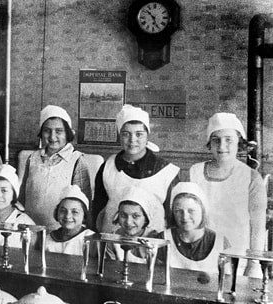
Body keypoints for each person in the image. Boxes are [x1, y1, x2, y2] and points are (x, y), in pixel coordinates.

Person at [189, 113, 266, 276]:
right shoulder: (195, 172)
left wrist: (253, 264)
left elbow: (258, 228)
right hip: (199, 258)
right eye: (216, 140)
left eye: (228, 140)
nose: (222, 146)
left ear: (239, 142)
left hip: (237, 260)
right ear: (209, 143)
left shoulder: (251, 178)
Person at [92, 105, 179, 233]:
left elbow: (173, 218)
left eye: (139, 134)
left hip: (153, 241)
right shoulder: (108, 167)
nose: (132, 140)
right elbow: (97, 210)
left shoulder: (166, 171)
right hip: (112, 239)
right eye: (126, 134)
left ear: (147, 135)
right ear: (119, 136)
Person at [18, 105, 91, 229]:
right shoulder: (32, 158)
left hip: (62, 231)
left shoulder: (77, 160)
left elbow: (84, 206)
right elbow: (22, 198)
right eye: (47, 131)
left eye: (59, 131)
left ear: (67, 133)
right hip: (31, 228)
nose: (52, 137)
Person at [160, 182, 230, 273]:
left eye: (191, 210)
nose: (185, 217)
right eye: (178, 211)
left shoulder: (220, 242)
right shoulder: (163, 239)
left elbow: (228, 278)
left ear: (202, 211)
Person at [104, 186, 163, 263]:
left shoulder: (155, 239)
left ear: (146, 218)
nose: (128, 222)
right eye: (123, 215)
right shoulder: (111, 240)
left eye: (135, 216)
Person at [46, 185, 94, 255]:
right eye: (63, 211)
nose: (68, 216)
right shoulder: (48, 239)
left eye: (75, 212)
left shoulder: (92, 240)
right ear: (57, 212)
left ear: (84, 215)